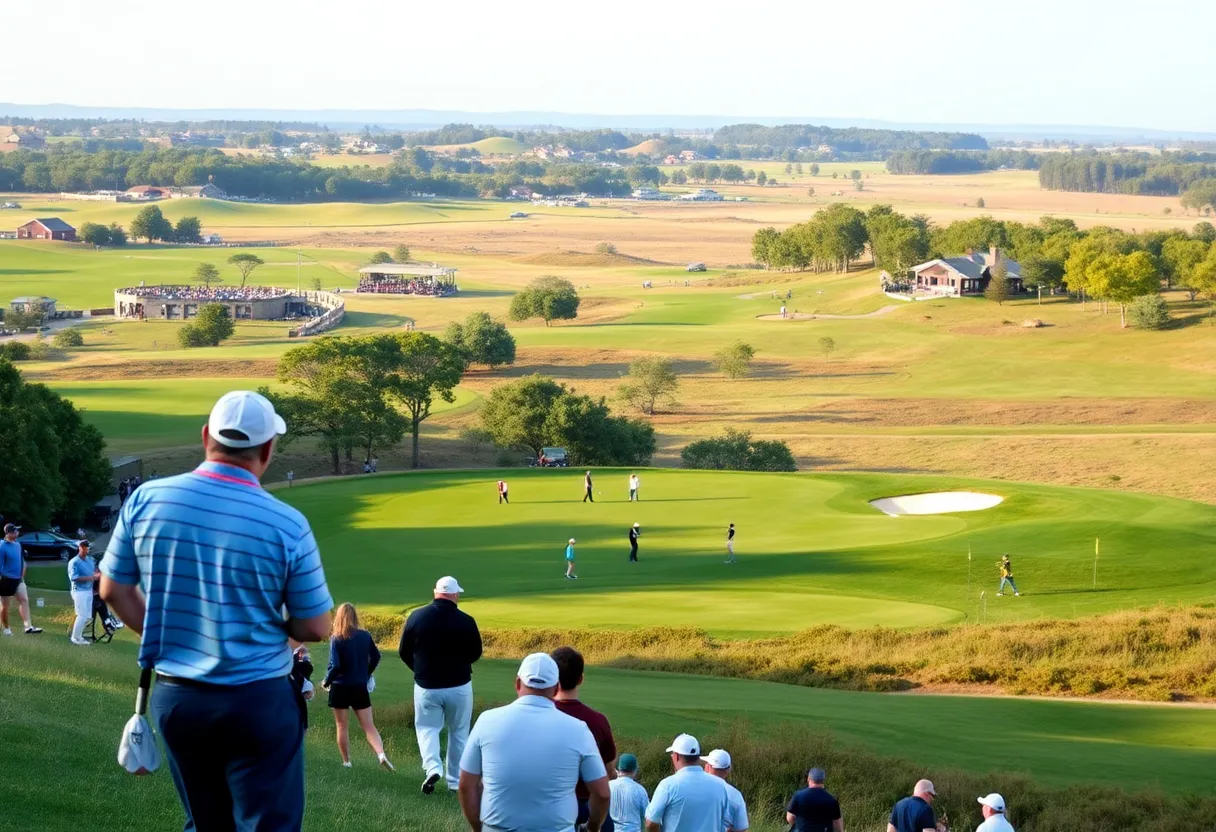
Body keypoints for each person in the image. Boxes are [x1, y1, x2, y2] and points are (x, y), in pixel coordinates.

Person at [100, 390, 334, 832]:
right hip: (258, 699)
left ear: (206, 436)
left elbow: (113, 589)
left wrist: (167, 635)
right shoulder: (287, 523)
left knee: (206, 823)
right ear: (267, 451)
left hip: (177, 698)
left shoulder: (147, 499)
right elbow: (316, 625)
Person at [458, 653, 610, 832]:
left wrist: (478, 827)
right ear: (555, 689)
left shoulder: (487, 720)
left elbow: (466, 785)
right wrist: (592, 827)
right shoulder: (578, 729)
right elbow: (602, 793)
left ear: (517, 683)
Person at [400, 575, 482, 794]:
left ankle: (432, 767)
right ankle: (455, 781)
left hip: (427, 686)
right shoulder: (466, 620)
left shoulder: (416, 617)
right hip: (459, 685)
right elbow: (476, 653)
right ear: (455, 595)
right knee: (459, 732)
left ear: (435, 592)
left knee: (427, 728)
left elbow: (404, 651)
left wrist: (420, 671)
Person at [552, 646, 618, 832]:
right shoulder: (598, 721)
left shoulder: (539, 719)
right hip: (587, 804)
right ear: (580, 679)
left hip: (552, 805)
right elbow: (608, 770)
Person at [323, 603, 393, 770]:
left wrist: (326, 681)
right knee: (369, 726)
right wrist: (366, 674)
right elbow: (376, 657)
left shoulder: (336, 638)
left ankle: (347, 762)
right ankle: (381, 754)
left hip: (340, 686)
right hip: (359, 686)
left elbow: (336, 665)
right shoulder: (365, 636)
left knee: (342, 726)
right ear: (355, 617)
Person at [645, 733, 730, 832]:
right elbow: (726, 823)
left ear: (676, 756)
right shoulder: (719, 786)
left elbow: (651, 823)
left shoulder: (668, 785)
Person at [0, 523, 43, 636]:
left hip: (18, 579)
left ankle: (28, 627)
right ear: (9, 533)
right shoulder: (2, 546)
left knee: (24, 600)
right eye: (15, 531)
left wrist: (22, 573)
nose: (17, 533)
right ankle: (6, 629)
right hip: (6, 580)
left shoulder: (18, 545)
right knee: (5, 606)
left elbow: (22, 561)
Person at [701, 749, 749, 832]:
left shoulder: (697, 789)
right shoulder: (736, 795)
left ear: (708, 767)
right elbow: (741, 829)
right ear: (728, 769)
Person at [786, 767, 843, 832]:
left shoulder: (798, 795)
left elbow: (790, 818)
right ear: (823, 780)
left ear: (808, 779)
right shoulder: (832, 800)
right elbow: (838, 827)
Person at [67, 540, 98, 645]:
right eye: (83, 547)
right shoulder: (74, 562)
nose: (86, 549)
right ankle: (75, 638)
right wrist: (91, 578)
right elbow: (74, 578)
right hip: (79, 591)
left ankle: (79, 636)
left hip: (89, 590)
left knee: (88, 616)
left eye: (87, 547)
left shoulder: (90, 560)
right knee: (82, 615)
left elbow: (94, 572)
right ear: (79, 548)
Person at [611, 753, 650, 832]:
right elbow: (648, 816)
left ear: (618, 768)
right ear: (635, 770)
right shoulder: (640, 790)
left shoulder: (608, 786)